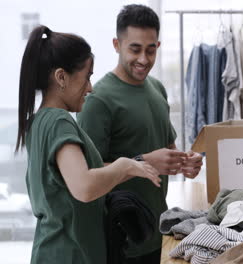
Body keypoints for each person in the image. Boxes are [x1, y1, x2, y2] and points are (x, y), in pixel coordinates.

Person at [15, 25, 161, 264]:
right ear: (61, 77)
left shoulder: (39, 122)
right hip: (70, 255)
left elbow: (78, 182)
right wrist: (124, 165)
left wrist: (135, 165)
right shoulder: (59, 122)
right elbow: (84, 186)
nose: (90, 87)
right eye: (87, 77)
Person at [77, 4, 203, 263]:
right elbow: (85, 177)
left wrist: (185, 162)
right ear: (116, 44)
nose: (144, 59)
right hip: (119, 240)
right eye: (135, 49)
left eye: (151, 49)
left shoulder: (157, 89)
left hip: (158, 230)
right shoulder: (97, 100)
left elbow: (168, 149)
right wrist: (143, 162)